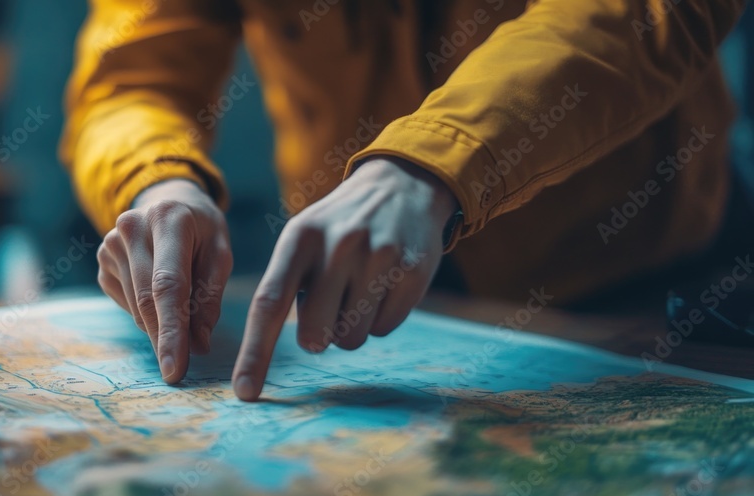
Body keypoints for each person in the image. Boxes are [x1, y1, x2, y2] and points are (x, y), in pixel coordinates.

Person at [60, 0, 748, 401]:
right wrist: (157, 178)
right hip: (349, 313)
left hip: (636, 282)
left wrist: (432, 160)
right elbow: (132, 77)